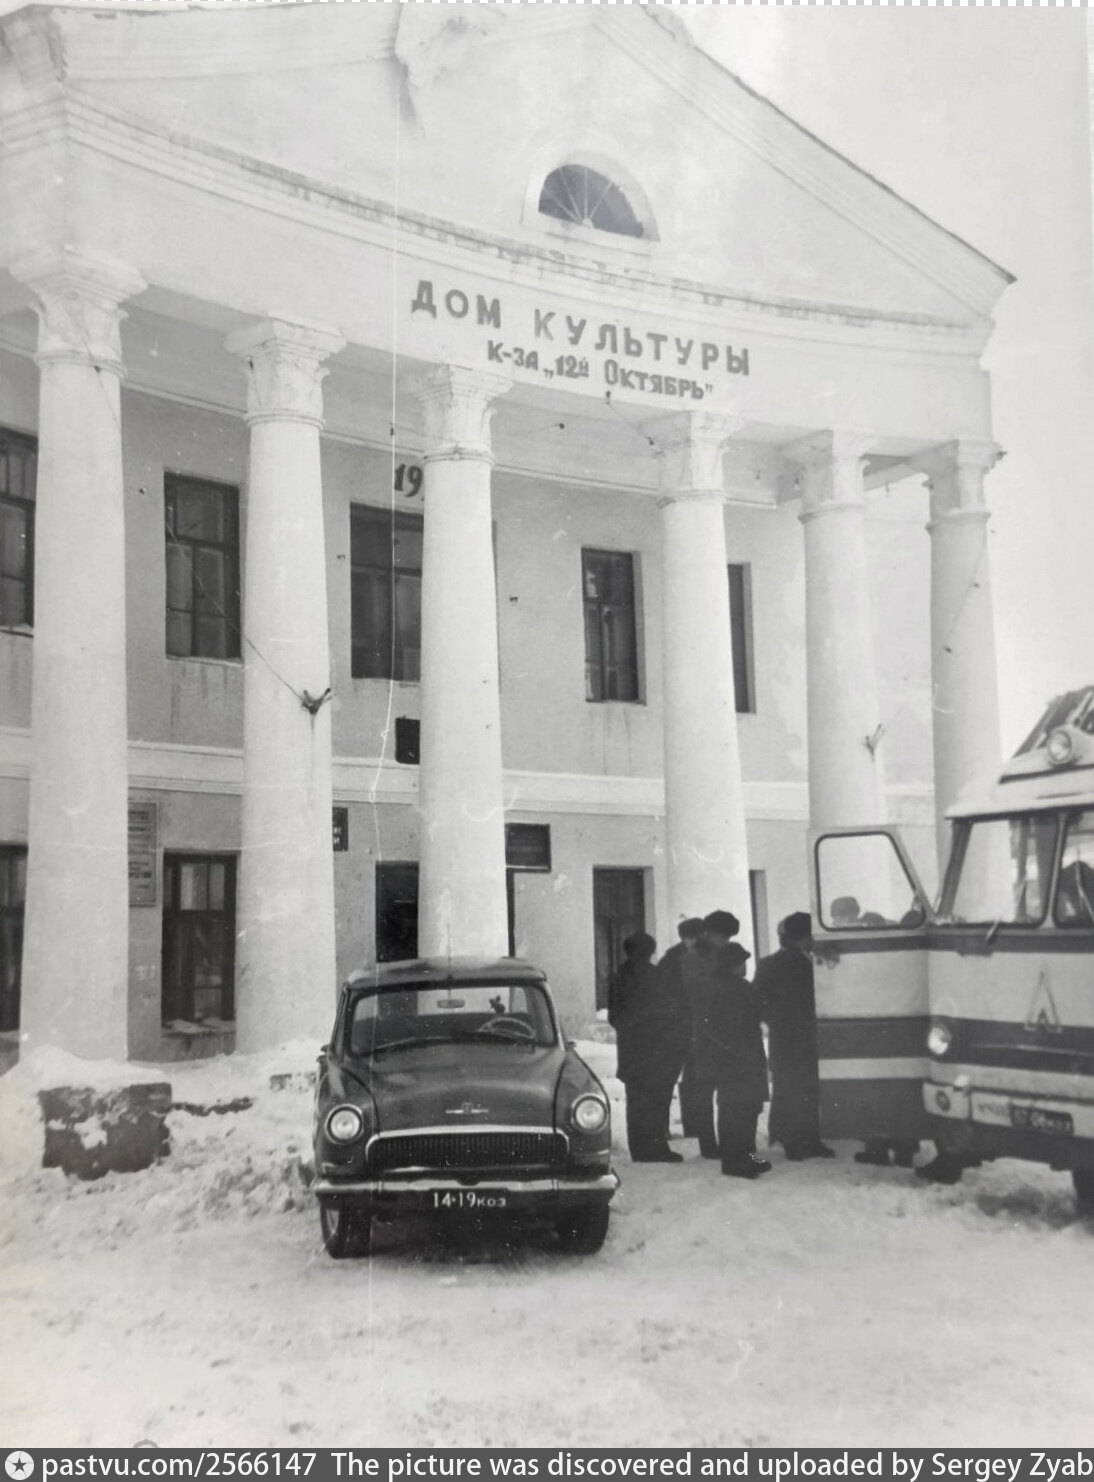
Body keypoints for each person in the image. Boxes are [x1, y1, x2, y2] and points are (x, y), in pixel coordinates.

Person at [754, 912, 835, 1162]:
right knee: (798, 1090)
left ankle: (803, 1140)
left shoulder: (769, 963)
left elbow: (757, 998)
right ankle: (797, 1142)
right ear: (805, 936)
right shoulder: (810, 963)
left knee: (795, 1089)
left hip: (786, 1038)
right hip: (799, 1037)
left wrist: (774, 1020)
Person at [608, 932, 683, 1163]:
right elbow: (670, 1010)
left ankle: (640, 1149)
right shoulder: (656, 976)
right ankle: (656, 1148)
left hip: (631, 1050)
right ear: (650, 951)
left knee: (636, 1101)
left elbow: (614, 1016)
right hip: (656, 1048)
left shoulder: (618, 977)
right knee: (656, 1100)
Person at [700, 941, 772, 1180]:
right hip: (732, 1057)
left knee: (749, 1107)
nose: (745, 966)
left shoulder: (739, 985)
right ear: (732, 964)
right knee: (735, 1109)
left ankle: (747, 1156)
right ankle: (733, 1161)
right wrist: (736, 1052)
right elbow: (717, 1028)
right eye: (742, 962)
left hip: (746, 1054)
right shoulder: (720, 988)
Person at [682, 909, 740, 1158]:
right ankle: (708, 1144)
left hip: (720, 1030)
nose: (725, 941)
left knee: (722, 1088)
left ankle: (724, 1140)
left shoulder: (711, 954)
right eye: (722, 936)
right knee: (704, 1090)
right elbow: (698, 993)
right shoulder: (694, 957)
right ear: (710, 933)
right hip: (702, 1031)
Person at [655, 917, 704, 1138]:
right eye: (696, 937)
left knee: (693, 1078)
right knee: (667, 1078)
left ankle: (693, 1127)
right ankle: (661, 1128)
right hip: (674, 1028)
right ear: (687, 938)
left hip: (691, 1027)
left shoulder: (688, 958)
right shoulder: (671, 961)